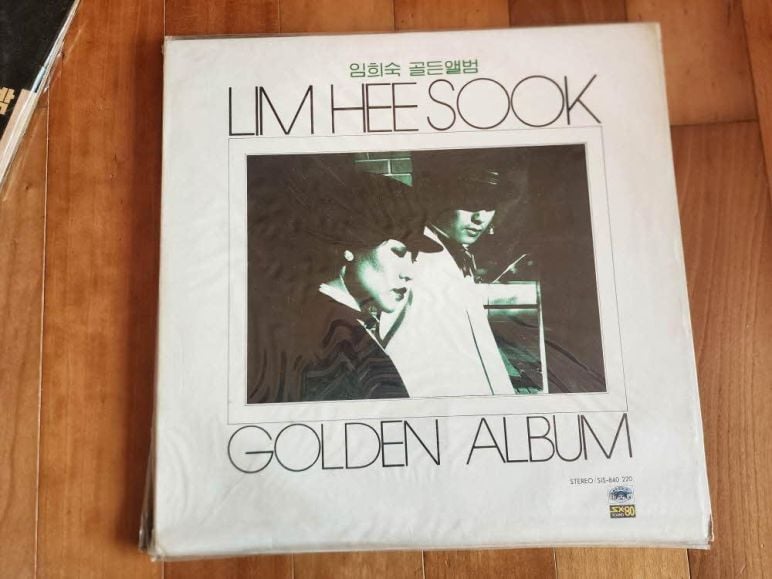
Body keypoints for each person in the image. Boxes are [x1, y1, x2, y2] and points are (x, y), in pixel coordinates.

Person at [247, 158, 442, 402]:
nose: (409, 273)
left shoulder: (333, 321)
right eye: (398, 253)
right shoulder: (330, 336)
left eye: (413, 257)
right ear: (351, 246)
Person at [384, 151, 522, 397]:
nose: (479, 218)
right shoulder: (414, 260)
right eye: (470, 204)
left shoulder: (459, 254)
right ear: (442, 201)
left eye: (489, 206)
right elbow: (400, 350)